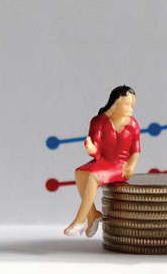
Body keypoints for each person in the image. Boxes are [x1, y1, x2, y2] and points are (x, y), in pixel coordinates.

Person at [64, 85, 140, 237]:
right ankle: (93, 215)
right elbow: (97, 150)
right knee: (80, 173)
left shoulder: (133, 124)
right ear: (115, 104)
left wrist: (131, 165)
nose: (131, 110)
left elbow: (136, 149)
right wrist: (91, 148)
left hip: (121, 166)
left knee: (93, 176)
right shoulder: (99, 121)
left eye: (132, 105)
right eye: (127, 105)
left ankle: (80, 220)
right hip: (104, 162)